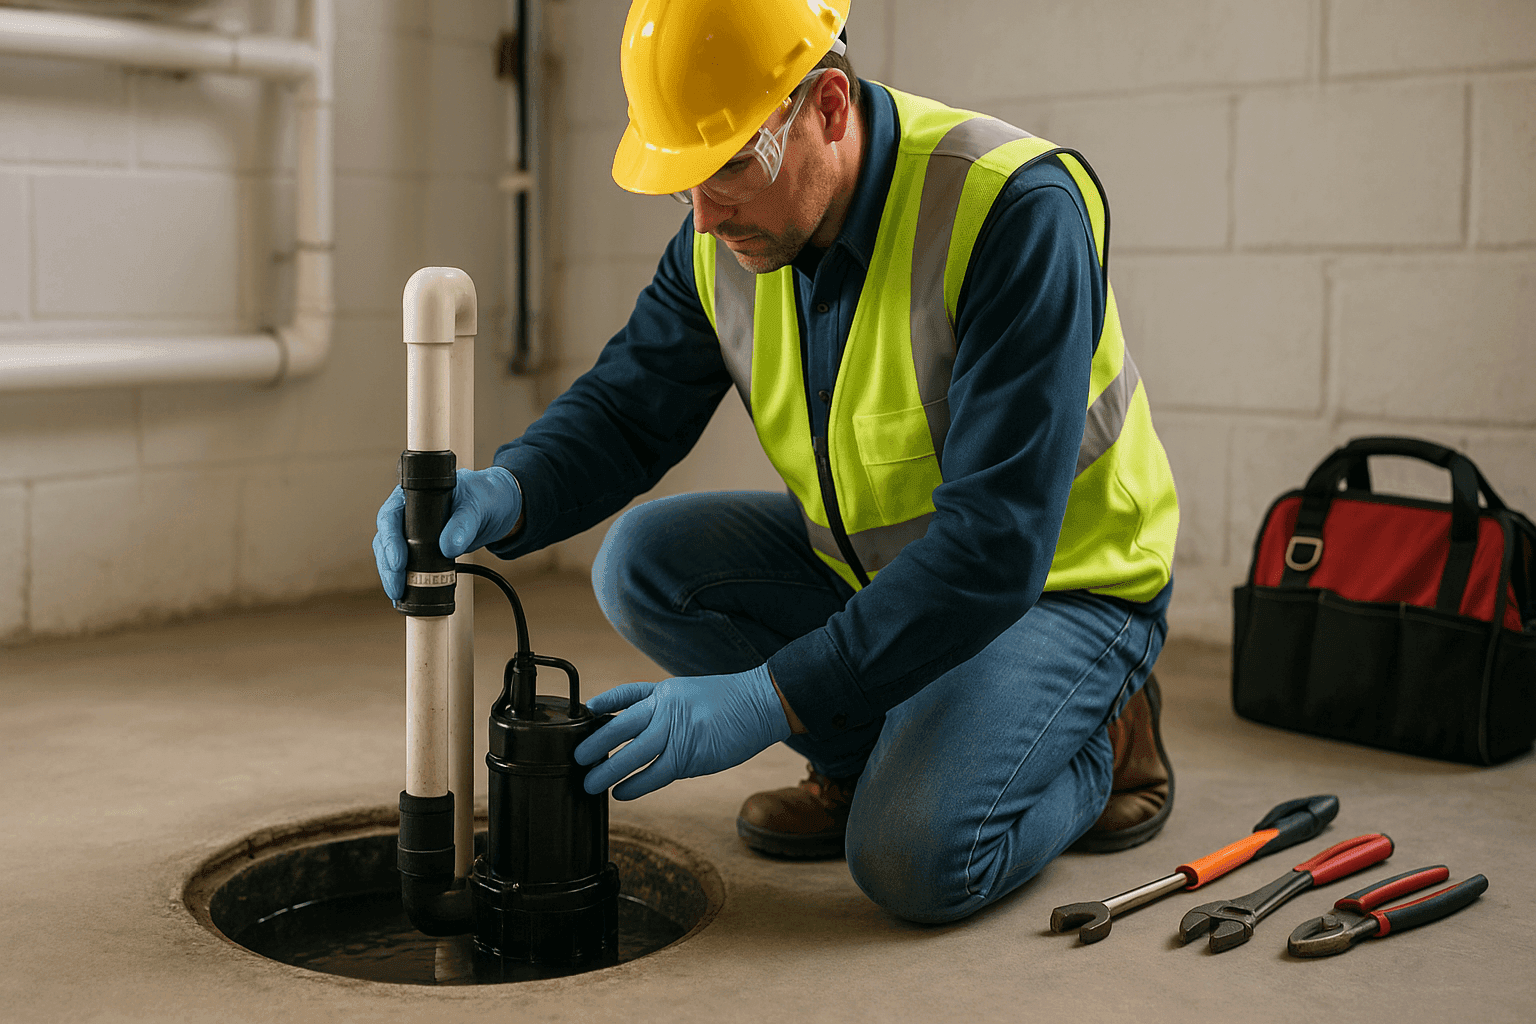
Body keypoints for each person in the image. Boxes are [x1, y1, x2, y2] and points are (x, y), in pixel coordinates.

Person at [374, 0, 1180, 925]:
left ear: (829, 107)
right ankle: (868, 752)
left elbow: (995, 549)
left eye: (728, 169)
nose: (706, 217)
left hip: (1061, 591)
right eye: (682, 182)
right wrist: (505, 490)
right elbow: (628, 409)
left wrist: (770, 697)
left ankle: (1098, 739)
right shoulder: (724, 235)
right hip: (877, 573)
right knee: (642, 562)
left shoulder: (1013, 212)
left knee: (911, 855)